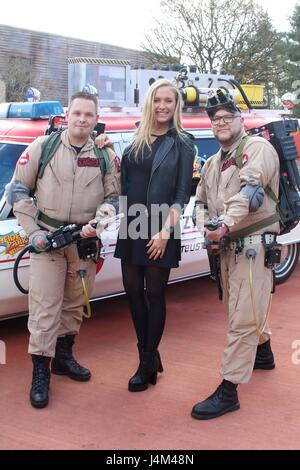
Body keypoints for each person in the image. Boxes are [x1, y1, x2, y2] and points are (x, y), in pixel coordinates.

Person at [5, 92, 120, 408]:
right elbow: (16, 189)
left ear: (96, 120)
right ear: (68, 116)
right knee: (44, 306)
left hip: (83, 242)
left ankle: (63, 357)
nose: (82, 119)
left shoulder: (105, 156)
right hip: (48, 239)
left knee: (74, 302)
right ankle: (40, 371)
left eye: (89, 115)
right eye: (78, 113)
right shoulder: (43, 147)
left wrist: (98, 224)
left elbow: (113, 199)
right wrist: (34, 232)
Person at [192, 89, 279, 420]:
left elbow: (250, 192)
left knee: (242, 317)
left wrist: (224, 225)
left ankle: (229, 391)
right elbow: (199, 201)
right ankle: (264, 353)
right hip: (227, 246)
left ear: (241, 120)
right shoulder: (214, 162)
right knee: (239, 307)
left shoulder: (257, 149)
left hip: (254, 243)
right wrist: (207, 226)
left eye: (228, 117)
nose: (221, 123)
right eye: (216, 119)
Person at [114, 78, 195, 392]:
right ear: (150, 102)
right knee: (132, 292)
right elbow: (126, 183)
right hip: (132, 223)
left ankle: (145, 363)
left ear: (176, 106)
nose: (163, 106)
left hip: (162, 224)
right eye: (158, 100)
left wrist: (164, 231)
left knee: (154, 294)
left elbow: (181, 195)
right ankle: (149, 354)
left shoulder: (183, 142)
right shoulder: (136, 137)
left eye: (169, 101)